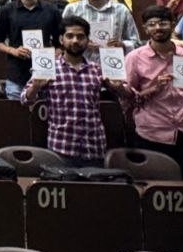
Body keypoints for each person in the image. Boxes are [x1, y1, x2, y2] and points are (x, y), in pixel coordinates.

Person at [119, 6, 183, 180]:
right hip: (152, 134)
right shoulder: (134, 58)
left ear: (173, 25)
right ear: (145, 29)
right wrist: (154, 88)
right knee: (156, 186)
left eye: (163, 23)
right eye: (152, 24)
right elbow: (128, 100)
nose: (158, 28)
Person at [22, 16, 116, 168]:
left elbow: (129, 96)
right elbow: (25, 99)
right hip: (61, 147)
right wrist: (36, 87)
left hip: (94, 147)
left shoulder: (98, 69)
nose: (75, 41)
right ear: (61, 39)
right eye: (70, 36)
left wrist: (118, 88)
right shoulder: (49, 68)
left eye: (80, 37)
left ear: (88, 40)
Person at [0, 0, 65, 100]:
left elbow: (61, 44)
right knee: (16, 113)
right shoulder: (7, 10)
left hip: (46, 75)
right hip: (16, 76)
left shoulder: (52, 11)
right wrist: (13, 51)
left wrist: (54, 55)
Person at [63, 0, 139, 59]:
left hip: (113, 63)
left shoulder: (121, 10)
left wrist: (122, 45)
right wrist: (81, 42)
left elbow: (136, 42)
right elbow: (61, 39)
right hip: (80, 64)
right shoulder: (72, 9)